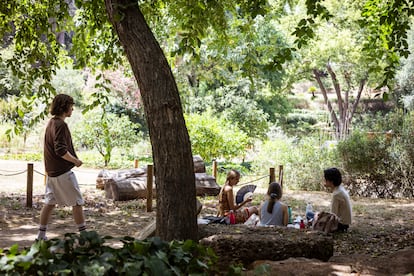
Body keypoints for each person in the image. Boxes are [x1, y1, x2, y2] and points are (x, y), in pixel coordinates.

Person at [36, 94, 86, 241]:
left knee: (49, 203)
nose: (72, 109)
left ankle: (41, 235)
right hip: (62, 172)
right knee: (77, 202)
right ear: (64, 107)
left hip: (52, 173)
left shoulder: (51, 123)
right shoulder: (60, 125)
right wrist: (75, 161)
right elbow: (61, 150)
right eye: (71, 106)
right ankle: (84, 236)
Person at [319, 167, 352, 232]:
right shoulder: (340, 189)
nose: (324, 181)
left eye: (325, 179)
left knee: (310, 214)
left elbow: (333, 215)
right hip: (345, 223)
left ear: (331, 181)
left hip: (340, 225)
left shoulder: (336, 194)